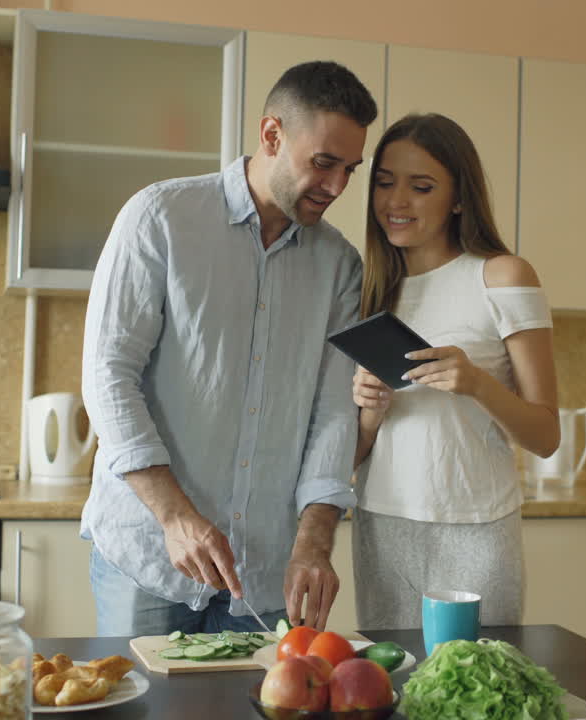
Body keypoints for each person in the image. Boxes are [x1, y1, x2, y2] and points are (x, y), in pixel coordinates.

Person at [80, 61, 378, 637]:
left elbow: (334, 413)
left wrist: (314, 543)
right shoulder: (161, 218)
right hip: (148, 560)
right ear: (272, 134)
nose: (338, 187)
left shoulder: (339, 265)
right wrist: (175, 517)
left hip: (266, 577)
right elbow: (107, 375)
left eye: (350, 169)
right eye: (323, 163)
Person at [350, 113, 560, 630]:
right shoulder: (368, 289)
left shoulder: (503, 276)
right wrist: (370, 414)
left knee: (475, 694)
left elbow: (547, 435)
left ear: (459, 198)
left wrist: (478, 385)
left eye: (420, 187)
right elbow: (352, 454)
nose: (395, 202)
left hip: (477, 527)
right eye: (384, 182)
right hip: (383, 526)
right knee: (392, 690)